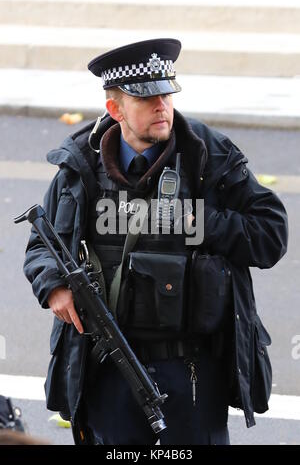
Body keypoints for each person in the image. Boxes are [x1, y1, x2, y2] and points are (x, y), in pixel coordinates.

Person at [23, 38, 288, 445]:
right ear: (116, 109)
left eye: (166, 93)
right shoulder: (81, 164)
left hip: (192, 372)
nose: (162, 105)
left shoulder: (209, 155)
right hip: (107, 365)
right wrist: (53, 285)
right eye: (146, 99)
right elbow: (43, 245)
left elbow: (271, 235)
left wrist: (198, 221)